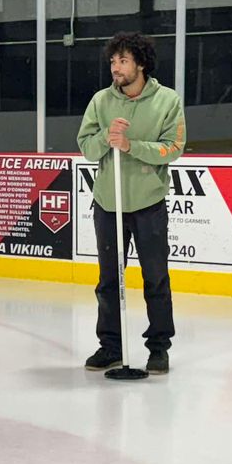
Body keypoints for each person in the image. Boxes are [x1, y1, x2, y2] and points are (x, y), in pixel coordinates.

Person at [77, 32, 185, 374]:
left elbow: (174, 148)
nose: (116, 67)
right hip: (108, 203)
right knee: (109, 279)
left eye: (123, 61)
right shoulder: (101, 101)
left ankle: (158, 348)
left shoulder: (167, 101)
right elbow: (86, 147)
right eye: (113, 61)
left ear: (140, 64)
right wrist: (105, 138)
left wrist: (130, 145)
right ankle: (110, 346)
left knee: (155, 278)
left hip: (148, 203)